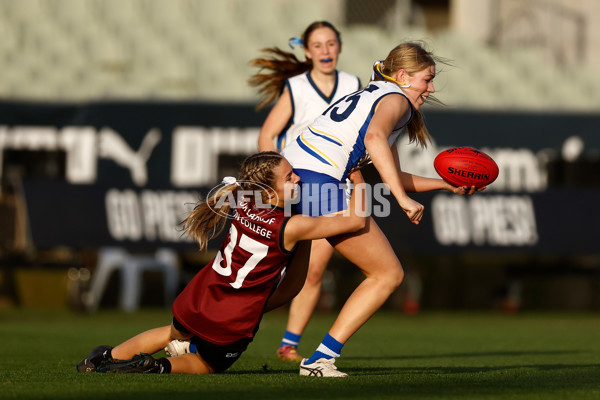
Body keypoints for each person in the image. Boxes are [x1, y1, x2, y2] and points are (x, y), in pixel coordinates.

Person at [279, 42, 486, 377]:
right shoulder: (398, 101)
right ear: (403, 75)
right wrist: (402, 201)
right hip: (319, 182)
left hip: (291, 177)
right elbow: (374, 138)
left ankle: (196, 338)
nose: (431, 88)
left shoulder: (379, 93)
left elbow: (395, 174)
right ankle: (320, 359)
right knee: (387, 274)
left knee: (287, 285)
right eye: (427, 79)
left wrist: (445, 185)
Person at [76, 151, 366, 375]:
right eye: (290, 176)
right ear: (268, 192)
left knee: (170, 332)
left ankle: (107, 356)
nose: (298, 179)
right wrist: (358, 178)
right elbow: (356, 220)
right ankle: (156, 368)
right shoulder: (293, 227)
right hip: (232, 319)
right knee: (206, 364)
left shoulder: (244, 201)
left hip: (199, 298)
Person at [249, 21, 361, 362]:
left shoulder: (352, 84)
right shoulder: (296, 87)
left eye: (331, 43)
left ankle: (288, 344)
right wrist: (284, 176)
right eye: (318, 45)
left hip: (332, 187)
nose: (325, 50)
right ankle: (215, 329)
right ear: (307, 50)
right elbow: (267, 137)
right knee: (269, 271)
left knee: (311, 271)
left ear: (339, 47)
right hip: (297, 187)